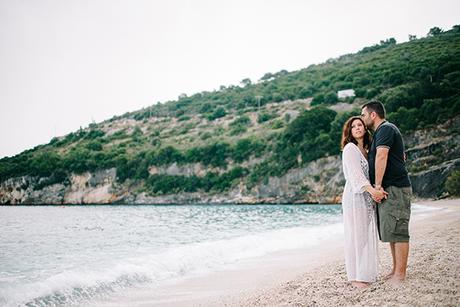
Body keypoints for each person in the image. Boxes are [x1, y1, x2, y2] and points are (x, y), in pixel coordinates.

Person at [360, 100, 412, 284]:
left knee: (399, 230)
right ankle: (395, 270)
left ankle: (400, 275)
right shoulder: (382, 132)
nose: (362, 118)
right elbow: (400, 156)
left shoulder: (386, 129)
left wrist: (378, 185)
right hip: (391, 188)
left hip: (395, 187)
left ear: (373, 115)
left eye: (364, 115)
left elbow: (382, 155)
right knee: (392, 231)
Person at [341, 116, 387, 289]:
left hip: (366, 197)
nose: (358, 128)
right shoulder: (350, 148)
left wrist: (377, 190)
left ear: (365, 129)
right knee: (357, 237)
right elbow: (356, 176)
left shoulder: (366, 150)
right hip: (355, 197)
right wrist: (373, 191)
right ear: (350, 132)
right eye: (353, 127)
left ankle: (363, 273)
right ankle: (355, 277)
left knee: (364, 237)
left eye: (360, 125)